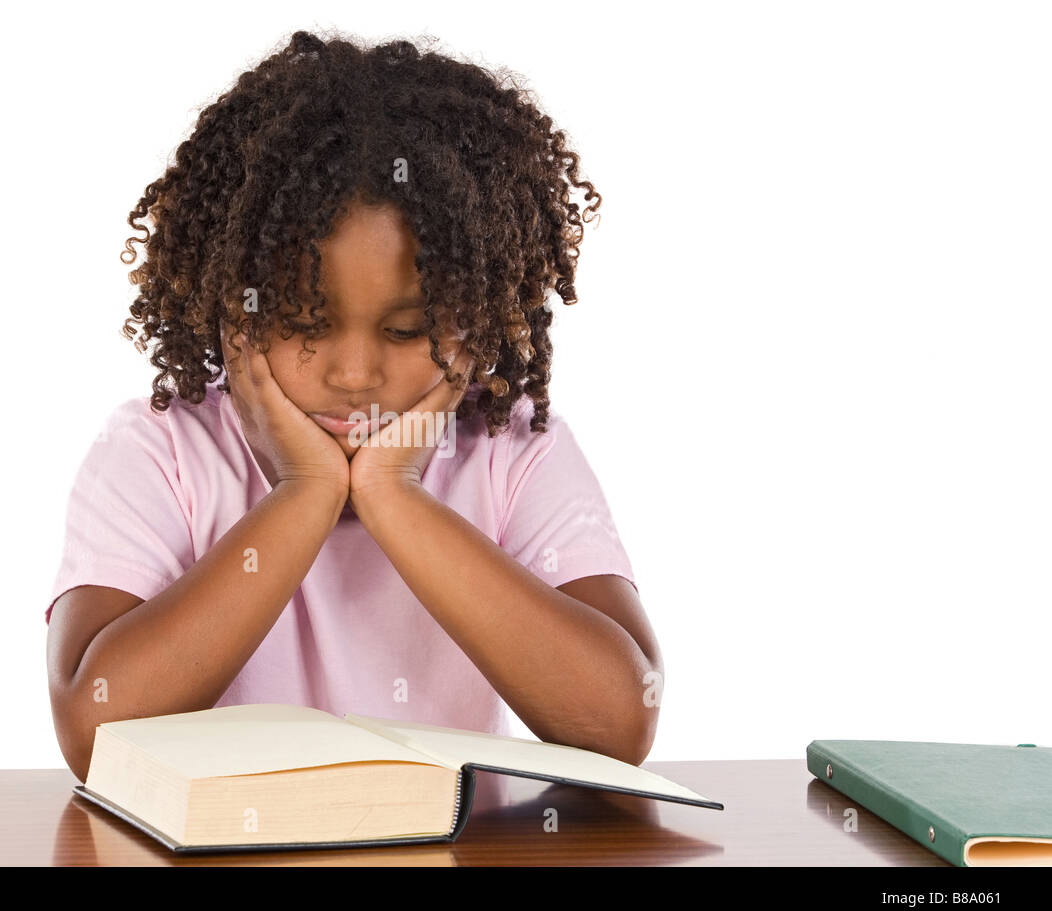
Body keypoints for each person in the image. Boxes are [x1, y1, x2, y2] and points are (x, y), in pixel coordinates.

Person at [45, 30, 663, 783]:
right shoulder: (159, 453)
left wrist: (389, 494)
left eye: (407, 330)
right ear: (233, 316)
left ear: (476, 319)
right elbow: (94, 726)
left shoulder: (513, 452)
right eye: (306, 322)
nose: (356, 373)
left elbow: (621, 717)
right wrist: (307, 494)